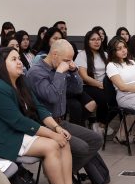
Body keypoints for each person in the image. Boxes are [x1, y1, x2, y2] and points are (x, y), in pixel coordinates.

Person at [0, 48, 88, 184]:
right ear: (1, 65)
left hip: (19, 133)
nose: (19, 62)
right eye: (13, 59)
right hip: (3, 139)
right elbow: (19, 122)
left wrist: (56, 128)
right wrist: (53, 136)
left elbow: (39, 108)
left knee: (64, 141)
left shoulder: (21, 82)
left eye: (19, 58)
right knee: (53, 145)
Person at [26, 39, 103, 174]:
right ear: (55, 54)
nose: (69, 63)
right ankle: (57, 174)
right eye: (67, 60)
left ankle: (64, 173)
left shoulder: (61, 67)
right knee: (82, 147)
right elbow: (52, 97)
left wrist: (73, 72)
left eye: (70, 60)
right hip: (46, 126)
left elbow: (78, 89)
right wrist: (60, 73)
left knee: (96, 139)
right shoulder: (36, 72)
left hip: (61, 122)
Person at [76, 30, 110, 135]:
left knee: (116, 99)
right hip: (87, 85)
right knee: (104, 98)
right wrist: (100, 85)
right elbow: (84, 77)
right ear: (88, 42)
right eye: (93, 39)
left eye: (98, 39)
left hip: (103, 86)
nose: (96, 42)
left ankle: (101, 124)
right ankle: (96, 124)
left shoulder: (105, 54)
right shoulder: (82, 55)